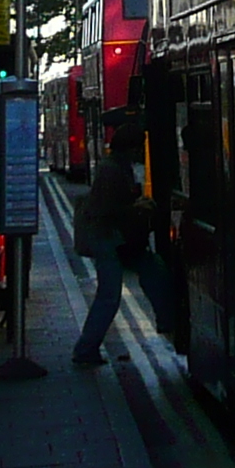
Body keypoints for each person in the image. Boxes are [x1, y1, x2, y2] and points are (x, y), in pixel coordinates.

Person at [73, 125, 154, 368]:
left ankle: (167, 320)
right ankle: (85, 348)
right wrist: (137, 207)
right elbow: (107, 210)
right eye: (138, 147)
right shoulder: (112, 171)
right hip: (107, 239)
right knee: (109, 296)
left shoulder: (115, 166)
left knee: (152, 270)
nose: (140, 152)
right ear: (129, 147)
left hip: (112, 238)